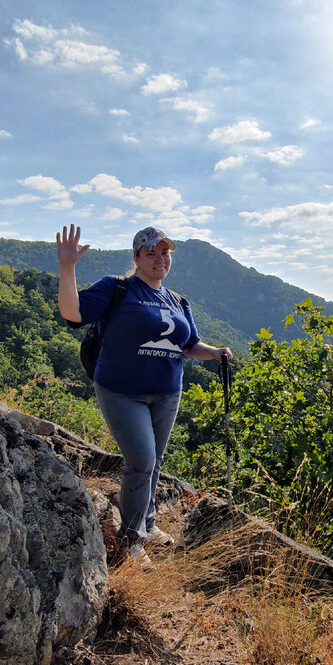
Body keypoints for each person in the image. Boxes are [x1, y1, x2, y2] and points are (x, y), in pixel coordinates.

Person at [56, 223, 233, 566]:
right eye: (151, 253)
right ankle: (131, 540)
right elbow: (72, 313)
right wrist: (67, 267)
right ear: (137, 258)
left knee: (154, 462)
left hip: (167, 393)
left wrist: (215, 352)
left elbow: (188, 344)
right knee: (142, 461)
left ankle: (148, 524)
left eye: (164, 253)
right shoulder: (117, 288)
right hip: (122, 391)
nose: (159, 259)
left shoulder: (178, 301)